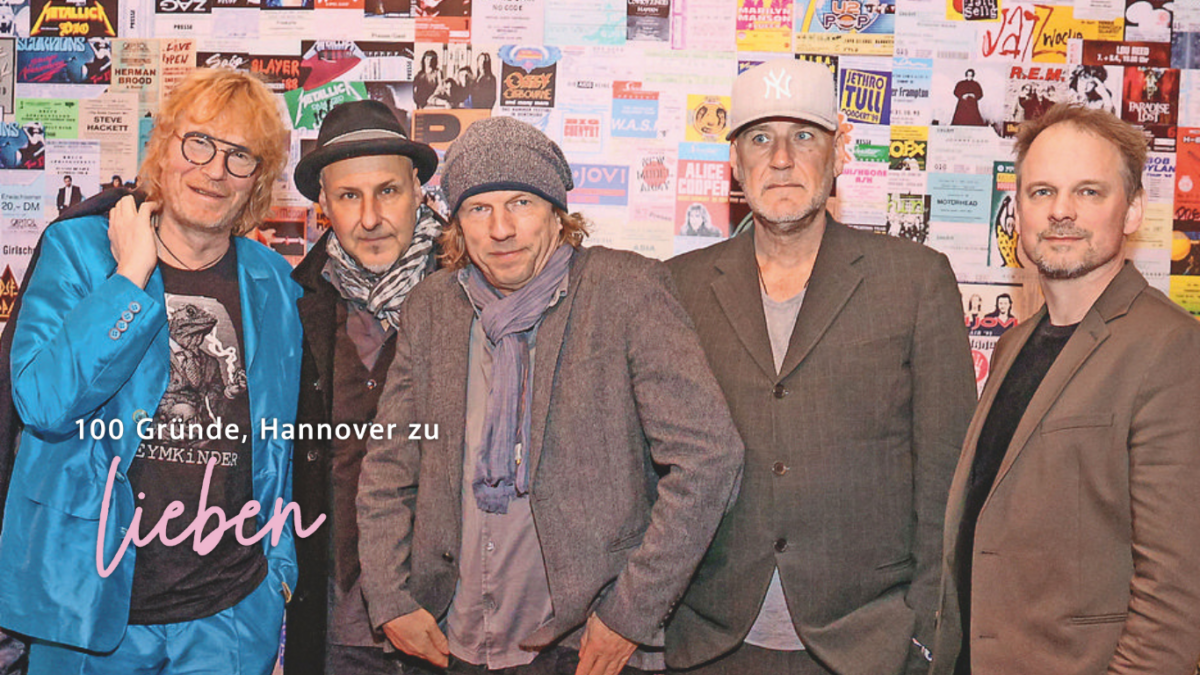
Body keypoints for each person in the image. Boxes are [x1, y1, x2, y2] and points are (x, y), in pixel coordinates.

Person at [356, 116, 744, 675]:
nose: (501, 229)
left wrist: (629, 615)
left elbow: (709, 458)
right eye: (479, 209)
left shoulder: (625, 291)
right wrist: (390, 598)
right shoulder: (432, 307)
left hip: (584, 642)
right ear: (457, 224)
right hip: (451, 639)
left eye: (521, 203)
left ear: (557, 214)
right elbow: (390, 464)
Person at [666, 58, 976, 675]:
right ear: (735, 163)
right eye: (760, 138)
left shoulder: (914, 280)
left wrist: (925, 637)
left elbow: (947, 473)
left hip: (868, 641)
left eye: (804, 136)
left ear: (839, 153)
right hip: (712, 639)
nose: (782, 159)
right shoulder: (679, 287)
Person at [0, 68, 303, 675]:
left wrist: (279, 574)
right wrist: (129, 277)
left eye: (240, 155)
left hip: (230, 615)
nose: (215, 170)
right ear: (163, 149)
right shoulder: (78, 251)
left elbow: (276, 442)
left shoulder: (272, 280)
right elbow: (42, 404)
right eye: (199, 143)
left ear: (258, 179)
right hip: (89, 611)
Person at [930, 104, 1200, 674]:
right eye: (1042, 191)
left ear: (1132, 210)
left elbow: (1176, 593)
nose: (1061, 211)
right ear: (1019, 209)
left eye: (1089, 192)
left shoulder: (1172, 348)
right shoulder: (1014, 344)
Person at [286, 99, 441, 675]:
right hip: (335, 622)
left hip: (452, 616)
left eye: (388, 191)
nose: (370, 217)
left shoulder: (476, 295)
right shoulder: (290, 300)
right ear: (324, 205)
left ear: (419, 189)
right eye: (349, 196)